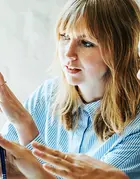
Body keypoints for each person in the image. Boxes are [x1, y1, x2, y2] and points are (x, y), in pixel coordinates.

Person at [0, 0, 140, 178]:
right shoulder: (48, 93)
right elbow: (9, 161)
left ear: (121, 50)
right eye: (65, 37)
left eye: (86, 43)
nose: (68, 53)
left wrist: (24, 124)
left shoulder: (136, 126)